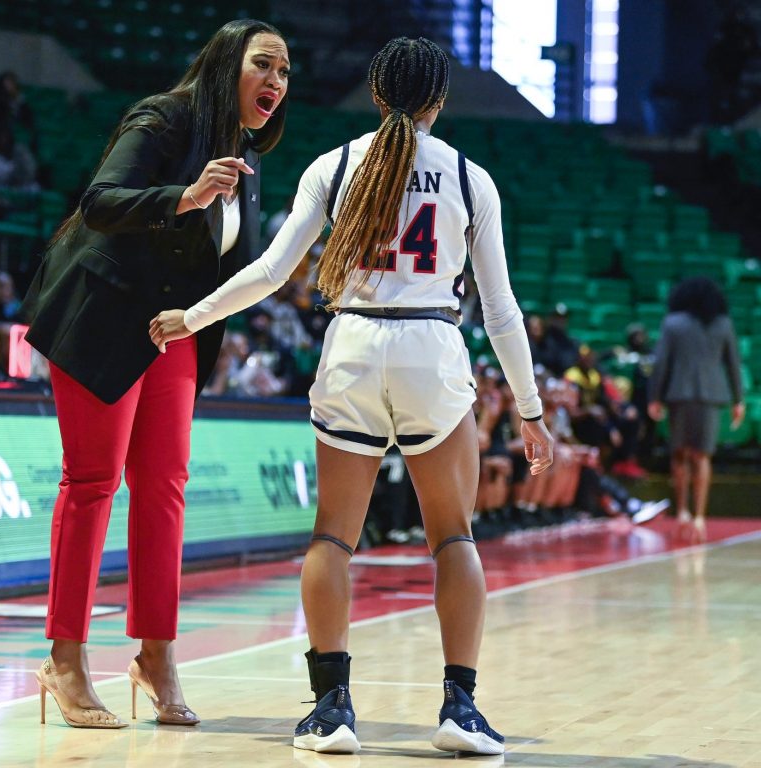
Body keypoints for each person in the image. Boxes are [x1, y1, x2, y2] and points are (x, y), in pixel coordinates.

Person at [150, 36, 552, 756]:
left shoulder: (333, 164)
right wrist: (530, 410)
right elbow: (500, 311)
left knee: (334, 535)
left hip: (355, 348)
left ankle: (332, 709)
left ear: (374, 94)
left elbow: (274, 270)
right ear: (438, 101)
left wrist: (196, 314)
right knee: (453, 535)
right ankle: (460, 709)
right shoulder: (468, 176)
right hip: (431, 349)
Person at [19, 19, 288, 729]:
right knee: (92, 483)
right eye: (264, 65)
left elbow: (239, 269)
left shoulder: (248, 162)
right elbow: (100, 202)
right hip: (102, 317)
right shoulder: (164, 119)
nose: (276, 83)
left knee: (165, 487)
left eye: (285, 74)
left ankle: (155, 654)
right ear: (228, 63)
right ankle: (65, 659)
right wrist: (186, 196)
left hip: (175, 332)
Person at [648, 277, 745, 542]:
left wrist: (654, 397)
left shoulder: (673, 323)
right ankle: (701, 517)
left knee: (679, 455)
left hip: (679, 396)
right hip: (712, 397)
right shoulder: (724, 324)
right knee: (702, 457)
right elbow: (733, 364)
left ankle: (682, 511)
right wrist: (739, 399)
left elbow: (662, 363)